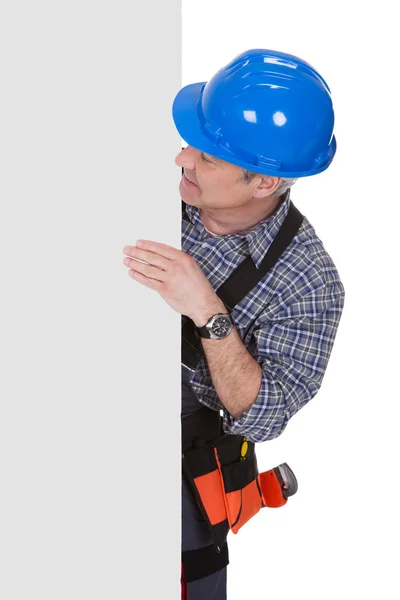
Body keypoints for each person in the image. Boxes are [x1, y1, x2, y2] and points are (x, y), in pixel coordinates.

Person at [123, 48, 345, 600]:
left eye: (207, 158)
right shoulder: (144, 189)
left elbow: (262, 416)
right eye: (191, 144)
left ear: (265, 182)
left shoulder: (309, 282)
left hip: (178, 474)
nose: (182, 160)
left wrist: (207, 311)